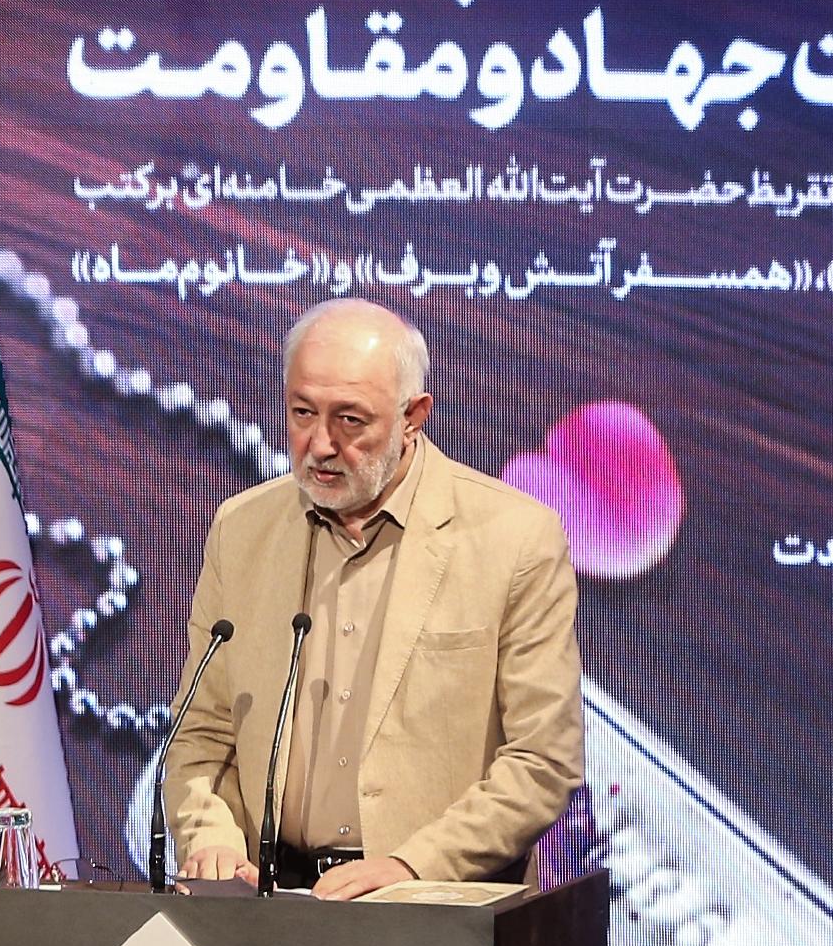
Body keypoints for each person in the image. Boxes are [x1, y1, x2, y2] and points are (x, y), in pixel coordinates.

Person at [163, 299, 584, 899]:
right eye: (302, 412)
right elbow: (201, 732)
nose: (320, 444)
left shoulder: (513, 538)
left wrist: (413, 865)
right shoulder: (242, 529)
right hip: (263, 899)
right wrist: (212, 839)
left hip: (432, 902)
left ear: (413, 416)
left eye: (350, 420)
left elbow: (543, 759)